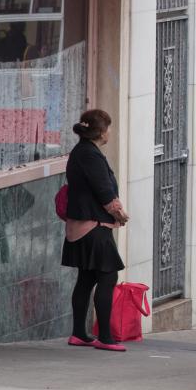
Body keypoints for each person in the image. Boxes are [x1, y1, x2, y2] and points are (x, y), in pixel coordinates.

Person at [61, 109, 130, 352]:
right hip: (93, 226)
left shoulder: (82, 152)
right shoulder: (89, 155)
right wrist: (120, 214)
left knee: (87, 277)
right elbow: (104, 191)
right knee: (108, 276)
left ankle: (79, 333)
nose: (110, 132)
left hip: (82, 225)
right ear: (100, 132)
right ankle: (106, 338)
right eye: (108, 128)